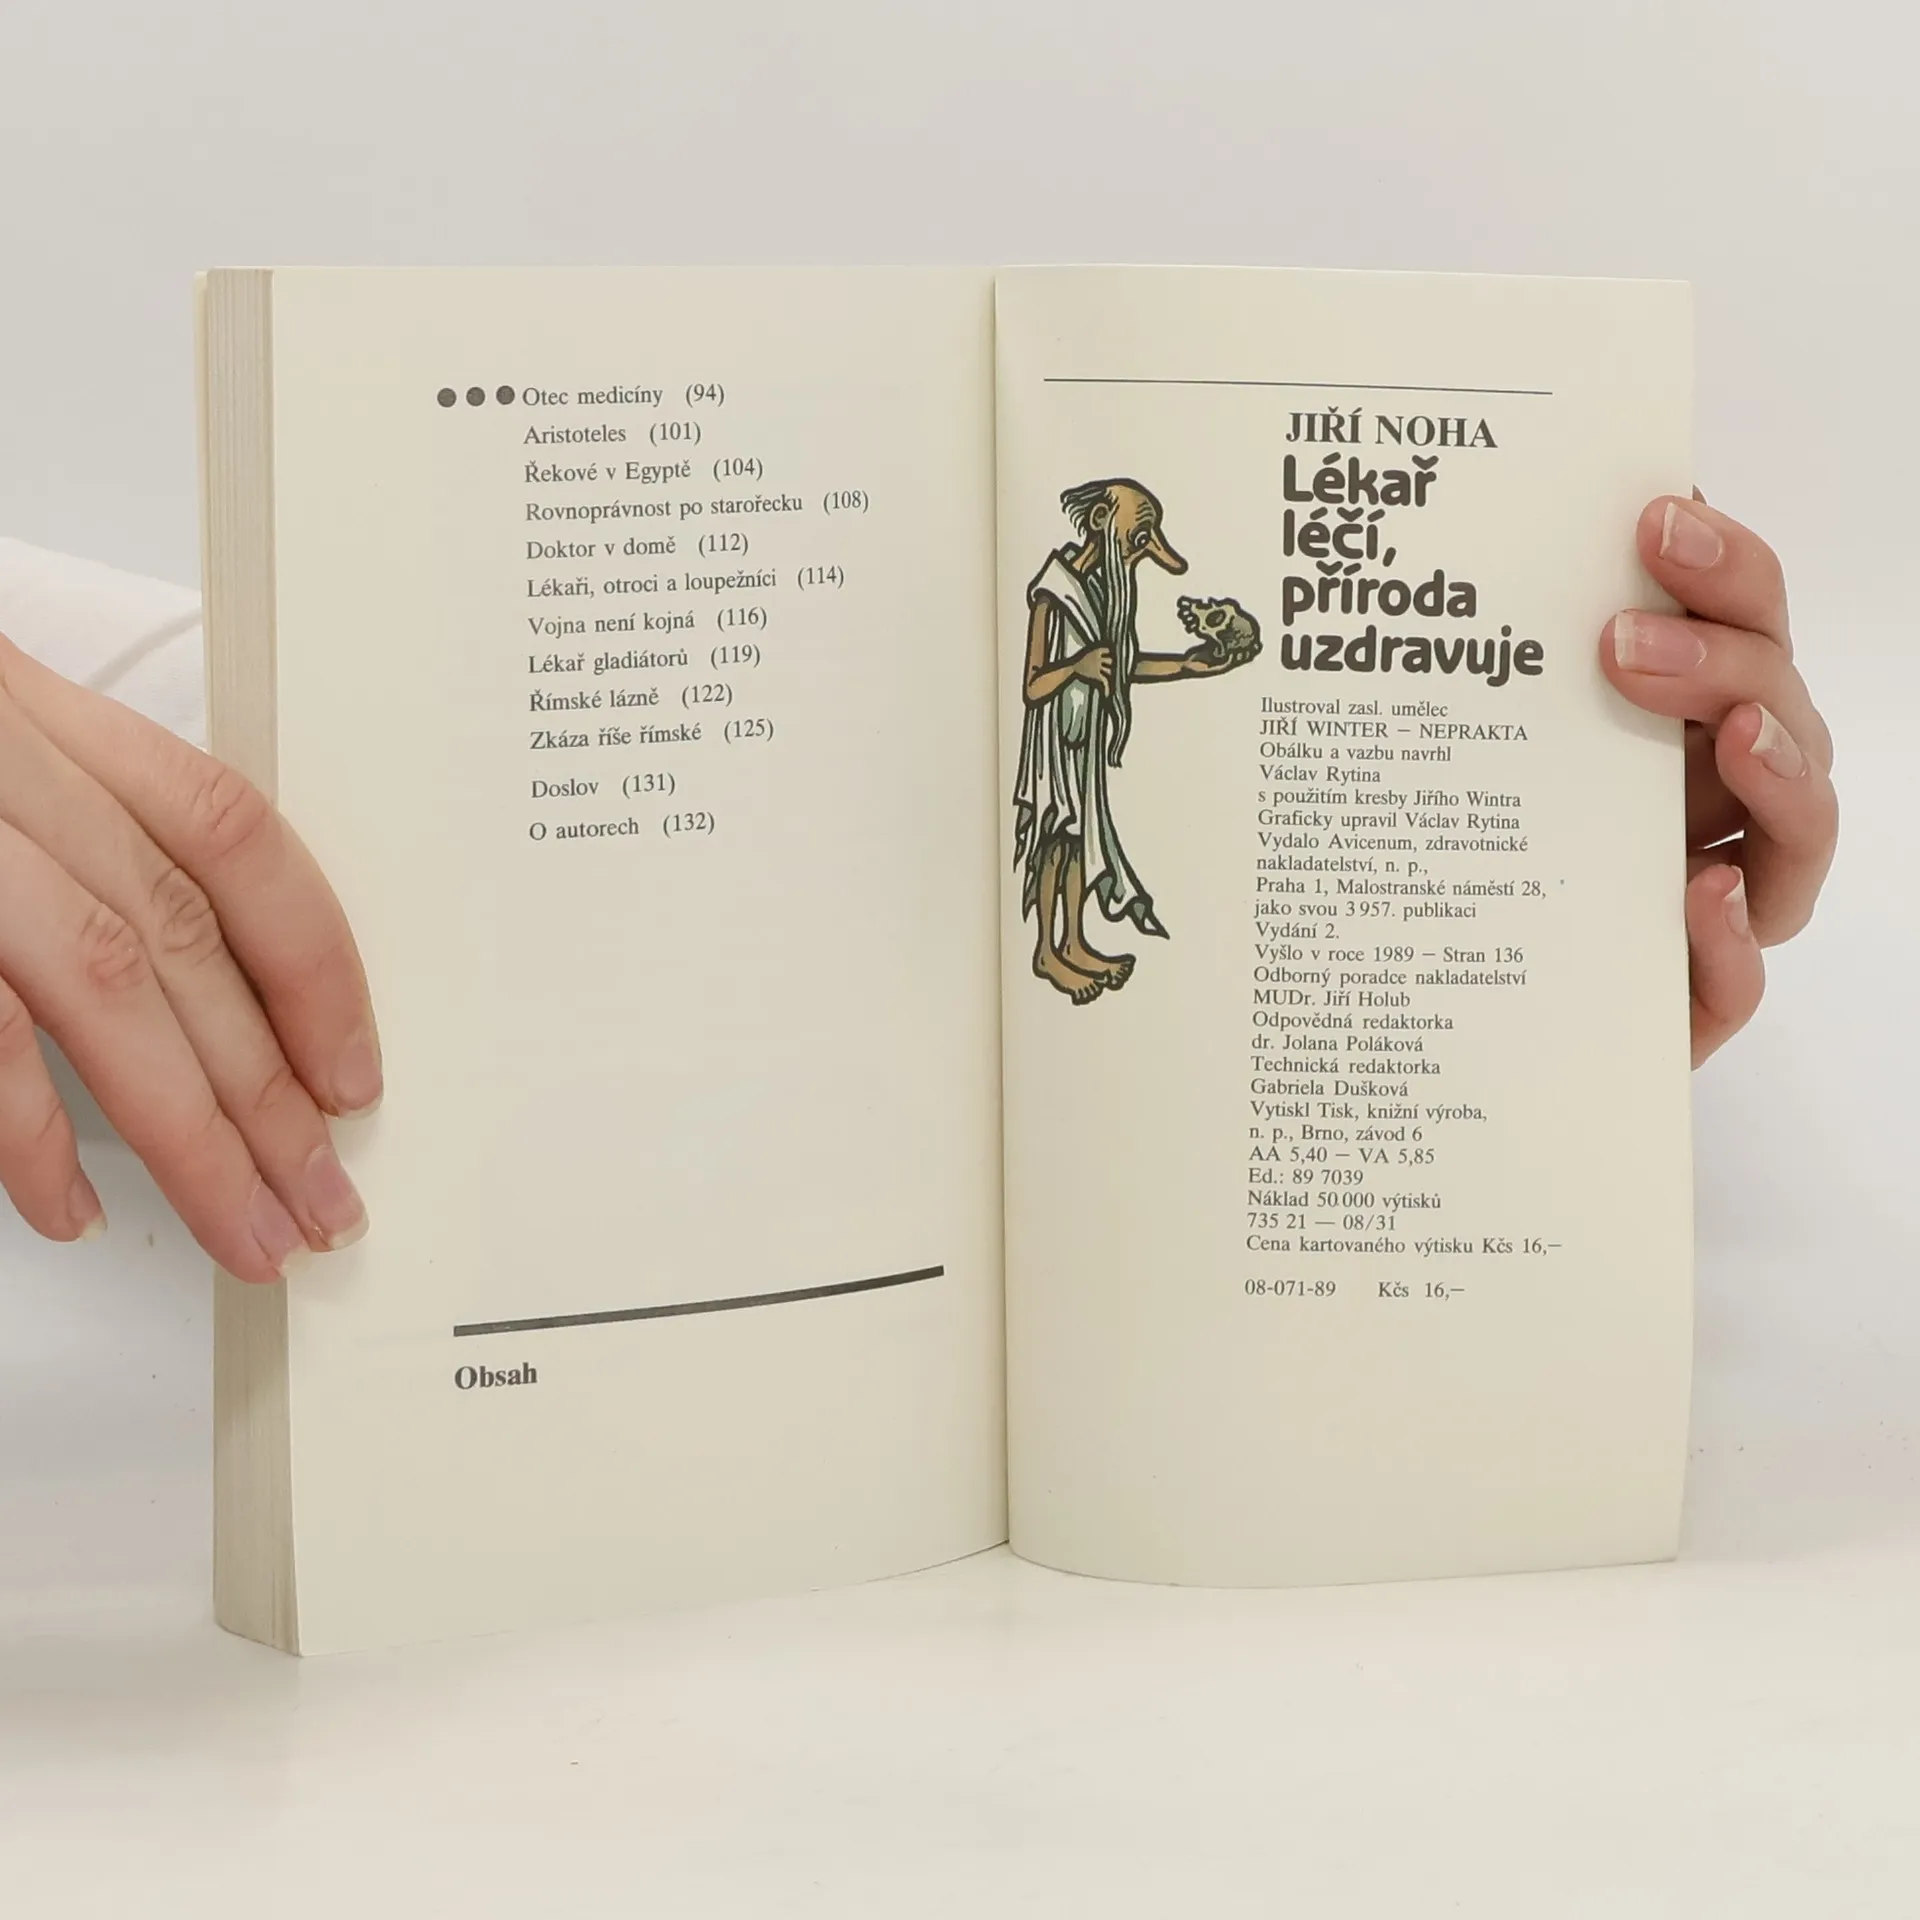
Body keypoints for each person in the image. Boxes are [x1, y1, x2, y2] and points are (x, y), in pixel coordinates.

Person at [0, 492, 1836, 1274]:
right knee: (1071, 859)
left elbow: (180, 829)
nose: (1138, 546)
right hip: (1055, 747)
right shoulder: (1059, 591)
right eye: (1135, 534)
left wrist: (1490, 817)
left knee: (1089, 879)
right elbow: (1059, 675)